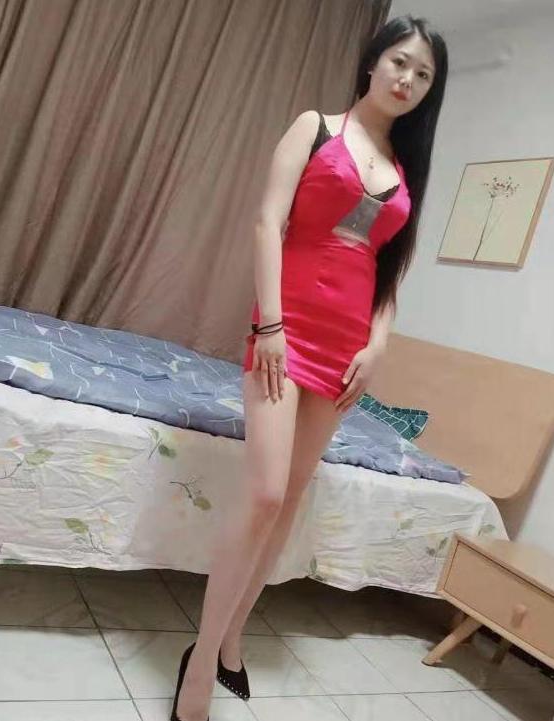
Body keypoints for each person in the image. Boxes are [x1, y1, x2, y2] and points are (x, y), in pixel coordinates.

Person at [171, 13, 448, 721]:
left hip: (348, 343)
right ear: (373, 61)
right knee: (265, 493)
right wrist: (268, 324)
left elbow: (392, 269)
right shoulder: (316, 128)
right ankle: (199, 659)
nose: (408, 80)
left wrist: (378, 343)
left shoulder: (407, 168)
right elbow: (269, 221)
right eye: (401, 62)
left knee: (290, 499)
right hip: (285, 329)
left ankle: (233, 637)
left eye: (423, 74)